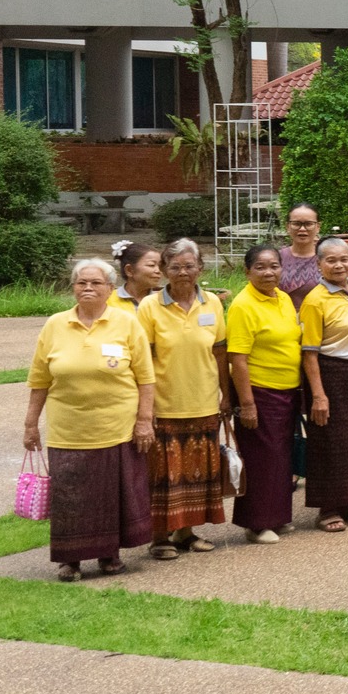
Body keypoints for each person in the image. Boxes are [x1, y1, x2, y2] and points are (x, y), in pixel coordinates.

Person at [23, 257, 155, 580]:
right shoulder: (55, 324)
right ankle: (71, 560)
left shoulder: (126, 323)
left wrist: (144, 420)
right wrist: (30, 424)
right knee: (70, 498)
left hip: (116, 428)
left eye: (96, 283)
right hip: (69, 430)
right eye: (81, 282)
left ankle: (110, 556)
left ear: (110, 289)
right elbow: (40, 378)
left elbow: (146, 377)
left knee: (112, 497)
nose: (88, 288)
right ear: (73, 288)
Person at [136, 238, 229, 559]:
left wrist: (226, 397)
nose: (183, 272)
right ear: (163, 270)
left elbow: (220, 353)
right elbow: (142, 359)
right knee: (164, 476)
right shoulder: (149, 307)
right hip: (165, 404)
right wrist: (145, 411)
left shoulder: (213, 303)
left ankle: (186, 533)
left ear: (201, 269)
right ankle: (159, 537)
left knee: (196, 473)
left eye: (190, 266)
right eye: (175, 267)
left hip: (203, 402)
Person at [225, 244, 305, 538]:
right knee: (261, 458)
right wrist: (247, 404)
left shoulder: (283, 298)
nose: (269, 272)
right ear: (247, 272)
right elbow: (238, 359)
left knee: (281, 456)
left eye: (274, 266)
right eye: (260, 267)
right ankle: (256, 523)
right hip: (259, 391)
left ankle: (278, 515)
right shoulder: (243, 306)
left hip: (287, 389)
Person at [298, 238, 348, 533]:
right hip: (332, 375)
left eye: (344, 259)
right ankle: (328, 507)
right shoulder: (315, 300)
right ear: (318, 264)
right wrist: (318, 395)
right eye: (331, 260)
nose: (339, 265)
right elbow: (309, 352)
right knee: (330, 441)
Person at [278, 204, 321, 308]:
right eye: (296, 224)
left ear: (318, 227)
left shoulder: (327, 258)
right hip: (283, 320)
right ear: (288, 226)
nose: (302, 229)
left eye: (309, 224)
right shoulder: (276, 258)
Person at [111, 241, 162, 311]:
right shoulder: (107, 300)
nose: (158, 271)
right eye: (151, 265)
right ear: (129, 270)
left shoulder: (164, 301)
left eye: (160, 266)